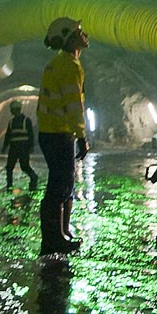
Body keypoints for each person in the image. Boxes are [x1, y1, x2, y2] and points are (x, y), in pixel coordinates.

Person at [37, 16, 91, 255]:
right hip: (59, 133)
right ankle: (53, 240)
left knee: (64, 183)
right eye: (79, 32)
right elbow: (73, 106)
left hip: (52, 132)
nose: (84, 34)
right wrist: (81, 135)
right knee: (59, 186)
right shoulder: (68, 67)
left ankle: (63, 232)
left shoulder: (59, 63)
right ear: (70, 38)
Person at [3, 104, 39, 192]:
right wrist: (5, 146)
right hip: (14, 147)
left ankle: (33, 177)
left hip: (23, 147)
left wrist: (31, 146)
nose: (11, 111)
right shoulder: (11, 122)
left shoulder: (26, 121)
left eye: (12, 110)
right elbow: (8, 135)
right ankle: (9, 184)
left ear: (16, 109)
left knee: (24, 166)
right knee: (9, 166)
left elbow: (31, 135)